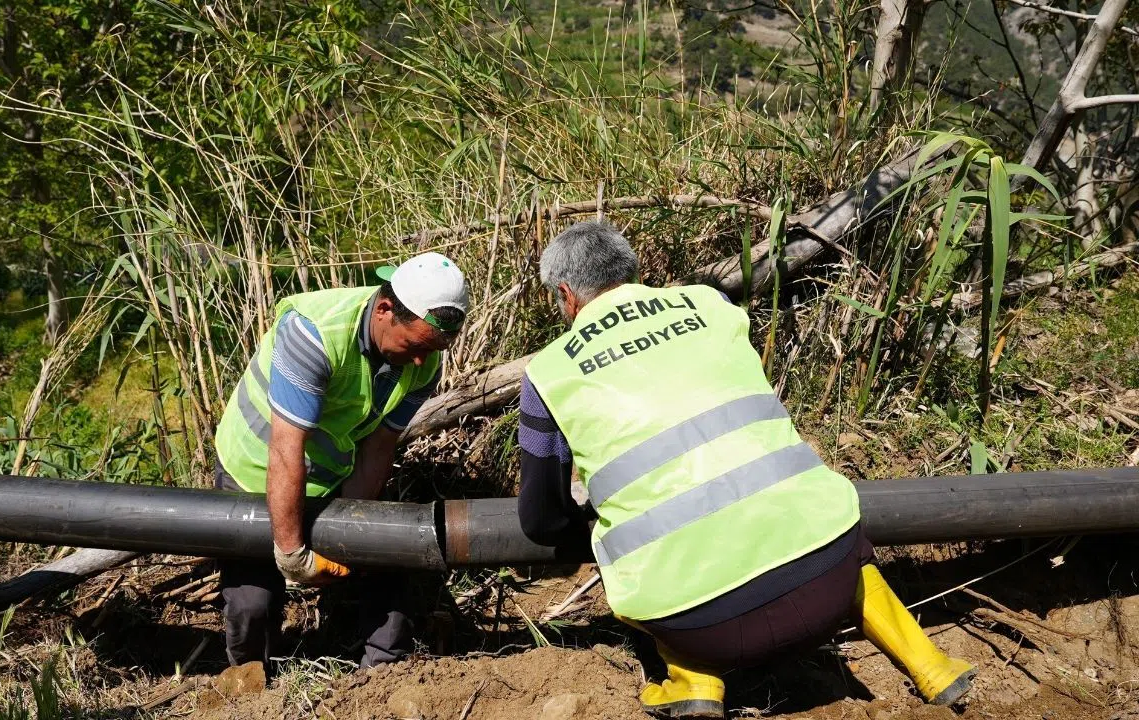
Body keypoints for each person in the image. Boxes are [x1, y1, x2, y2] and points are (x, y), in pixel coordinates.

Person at [516, 222, 974, 719]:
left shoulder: (549, 372)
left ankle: (692, 681)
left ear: (566, 294)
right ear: (631, 271)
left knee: (632, 548)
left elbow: (540, 520)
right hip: (829, 578)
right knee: (818, 511)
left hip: (703, 628)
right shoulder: (710, 305)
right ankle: (931, 665)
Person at [213, 252, 468, 670]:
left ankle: (382, 681)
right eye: (415, 346)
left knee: (387, 572)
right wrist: (293, 552)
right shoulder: (313, 333)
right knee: (253, 603)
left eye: (433, 348)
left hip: (331, 476)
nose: (423, 361)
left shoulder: (424, 356)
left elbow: (379, 448)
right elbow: (286, 449)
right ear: (385, 310)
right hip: (257, 472)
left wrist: (352, 526)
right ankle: (250, 686)